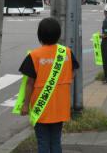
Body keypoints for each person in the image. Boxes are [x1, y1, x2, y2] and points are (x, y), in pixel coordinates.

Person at [18, 17, 79, 153]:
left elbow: (29, 83)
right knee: (56, 140)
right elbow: (74, 71)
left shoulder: (34, 55)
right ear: (58, 35)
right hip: (60, 106)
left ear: (40, 36)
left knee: (43, 141)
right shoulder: (66, 52)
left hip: (41, 106)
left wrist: (25, 104)